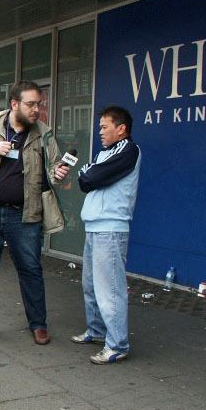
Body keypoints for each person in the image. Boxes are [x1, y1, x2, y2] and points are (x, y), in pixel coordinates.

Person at [0, 81, 69, 345]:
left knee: (30, 268)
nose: (36, 110)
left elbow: (54, 168)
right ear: (14, 104)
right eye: (31, 104)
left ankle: (38, 325)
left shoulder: (43, 133)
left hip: (25, 214)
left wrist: (60, 173)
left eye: (39, 104)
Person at [74, 106, 141, 364]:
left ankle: (118, 345)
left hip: (111, 228)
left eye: (104, 127)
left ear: (121, 128)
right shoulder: (105, 153)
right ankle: (97, 331)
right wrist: (89, 175)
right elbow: (85, 179)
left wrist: (90, 175)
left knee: (109, 289)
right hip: (94, 226)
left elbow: (93, 177)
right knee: (90, 285)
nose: (100, 132)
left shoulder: (129, 150)